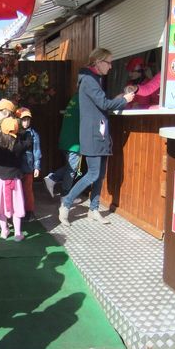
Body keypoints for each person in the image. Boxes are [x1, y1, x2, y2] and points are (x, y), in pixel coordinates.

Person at [59, 48, 134, 227]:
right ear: (98, 62)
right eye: (108, 62)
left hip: (99, 135)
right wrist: (125, 100)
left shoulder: (93, 79)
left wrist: (118, 99)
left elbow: (100, 104)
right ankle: (66, 203)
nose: (111, 66)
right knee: (93, 174)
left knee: (99, 175)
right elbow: (104, 103)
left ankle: (93, 210)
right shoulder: (89, 80)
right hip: (93, 135)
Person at [0, 117, 31, 241]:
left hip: (0, 181)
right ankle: (17, 233)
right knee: (17, 207)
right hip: (15, 181)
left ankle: (4, 231)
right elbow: (28, 141)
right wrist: (23, 132)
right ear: (16, 130)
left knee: (1, 207)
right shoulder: (19, 145)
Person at [43, 93, 81, 198]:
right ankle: (65, 195)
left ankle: (53, 179)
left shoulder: (74, 98)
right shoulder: (83, 99)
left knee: (71, 167)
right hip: (74, 141)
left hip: (66, 139)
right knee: (72, 169)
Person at [16, 107, 41, 221]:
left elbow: (36, 150)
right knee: (16, 190)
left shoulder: (34, 134)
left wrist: (37, 166)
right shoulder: (15, 132)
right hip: (16, 167)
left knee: (27, 190)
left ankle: (29, 212)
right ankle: (17, 212)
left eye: (28, 119)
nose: (26, 122)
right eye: (23, 119)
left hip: (28, 166)